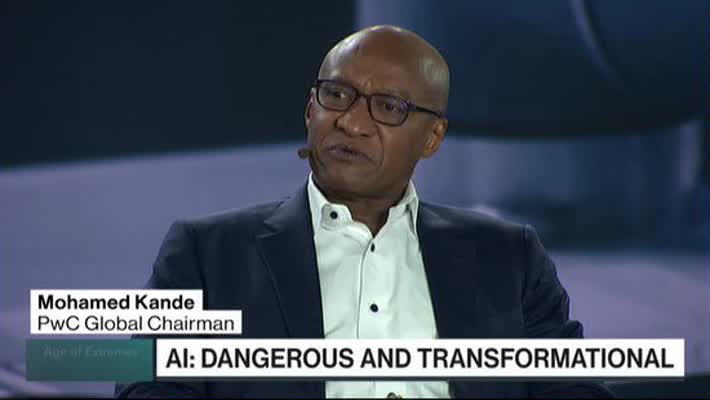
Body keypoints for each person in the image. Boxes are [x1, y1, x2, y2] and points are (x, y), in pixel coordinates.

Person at [116, 25, 613, 398]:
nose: (352, 123)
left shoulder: (509, 256)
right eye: (337, 95)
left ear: (433, 137)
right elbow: (147, 387)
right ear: (310, 110)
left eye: (389, 106)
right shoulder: (206, 254)